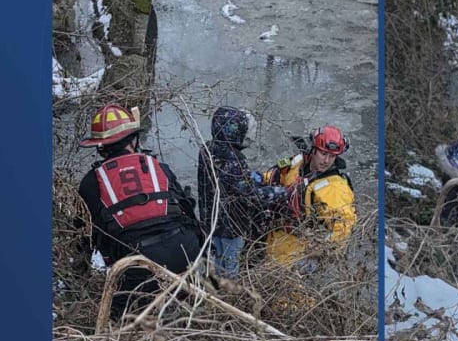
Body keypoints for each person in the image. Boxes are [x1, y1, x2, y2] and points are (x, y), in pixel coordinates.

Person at [77, 103, 204, 318]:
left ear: (100, 147)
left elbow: (82, 236)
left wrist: (80, 276)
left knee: (124, 319)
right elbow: (186, 208)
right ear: (133, 139)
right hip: (186, 250)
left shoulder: (91, 182)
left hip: (136, 263)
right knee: (186, 310)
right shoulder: (158, 167)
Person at [197, 106, 291, 278]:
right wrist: (281, 192)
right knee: (231, 265)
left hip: (211, 222)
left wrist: (249, 177)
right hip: (231, 226)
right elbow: (250, 196)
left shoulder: (207, 149)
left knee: (217, 260)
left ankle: (215, 285)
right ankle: (230, 291)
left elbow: (226, 182)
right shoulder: (234, 159)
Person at [259, 125, 356, 268]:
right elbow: (278, 173)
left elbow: (343, 228)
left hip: (296, 251)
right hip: (273, 237)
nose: (326, 160)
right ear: (313, 149)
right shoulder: (299, 162)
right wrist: (260, 180)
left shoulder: (334, 189)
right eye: (323, 153)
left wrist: (318, 254)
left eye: (332, 156)